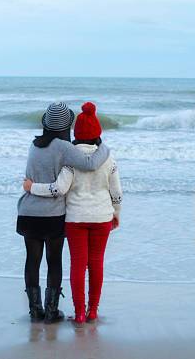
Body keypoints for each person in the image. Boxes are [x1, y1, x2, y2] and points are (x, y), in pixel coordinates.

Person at [23, 102, 122, 327]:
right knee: (93, 263)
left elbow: (60, 187)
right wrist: (116, 212)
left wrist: (31, 187)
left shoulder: (47, 150)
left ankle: (68, 312)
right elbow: (115, 190)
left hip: (63, 216)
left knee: (72, 264)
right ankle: (89, 311)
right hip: (95, 216)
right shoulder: (93, 156)